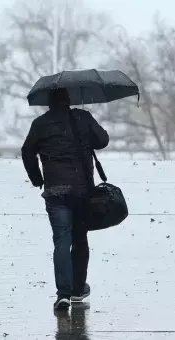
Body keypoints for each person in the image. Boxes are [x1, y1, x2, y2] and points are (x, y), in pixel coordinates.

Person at [21, 88, 109, 310]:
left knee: (62, 240)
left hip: (55, 192)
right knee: (80, 238)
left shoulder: (40, 124)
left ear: (49, 102)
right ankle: (78, 289)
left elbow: (26, 151)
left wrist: (36, 178)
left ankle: (63, 294)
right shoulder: (82, 117)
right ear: (68, 100)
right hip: (82, 191)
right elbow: (103, 140)